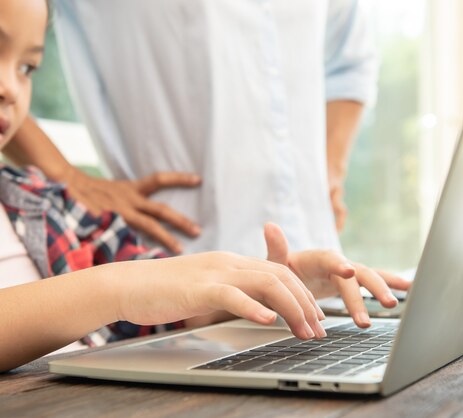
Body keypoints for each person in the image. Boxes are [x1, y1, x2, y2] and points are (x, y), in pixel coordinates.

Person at [0, 0, 410, 372]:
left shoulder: (43, 205)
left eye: (27, 68)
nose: (11, 89)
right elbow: (131, 293)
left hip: (248, 324)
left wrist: (255, 285)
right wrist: (120, 285)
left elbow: (156, 314)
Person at [5, 0, 377, 258]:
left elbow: (349, 61)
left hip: (318, 261)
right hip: (176, 268)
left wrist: (329, 172)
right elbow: (14, 34)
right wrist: (66, 176)